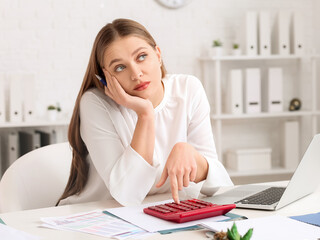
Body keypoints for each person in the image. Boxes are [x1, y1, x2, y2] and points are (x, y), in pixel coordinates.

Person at [57, 18, 233, 207]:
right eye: (120, 67)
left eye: (141, 57)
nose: (136, 74)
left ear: (158, 55)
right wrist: (145, 114)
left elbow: (217, 187)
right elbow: (127, 194)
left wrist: (192, 156)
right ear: (106, 77)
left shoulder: (189, 89)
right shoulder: (95, 104)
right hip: (98, 214)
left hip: (163, 210)